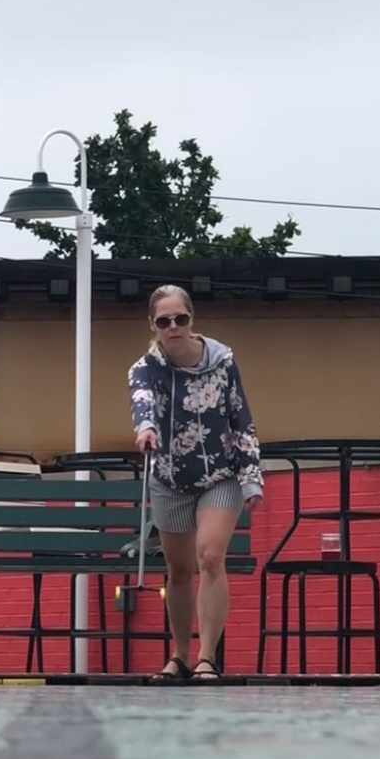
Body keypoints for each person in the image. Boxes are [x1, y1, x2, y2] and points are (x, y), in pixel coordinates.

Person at [129, 284, 263, 683]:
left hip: (220, 475)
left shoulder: (223, 362)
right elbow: (142, 401)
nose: (173, 327)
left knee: (210, 556)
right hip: (169, 477)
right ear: (153, 326)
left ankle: (207, 657)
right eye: (164, 321)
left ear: (192, 320)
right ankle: (181, 655)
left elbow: (241, 416)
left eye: (180, 318)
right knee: (179, 569)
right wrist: (146, 429)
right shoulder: (144, 368)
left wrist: (251, 478)